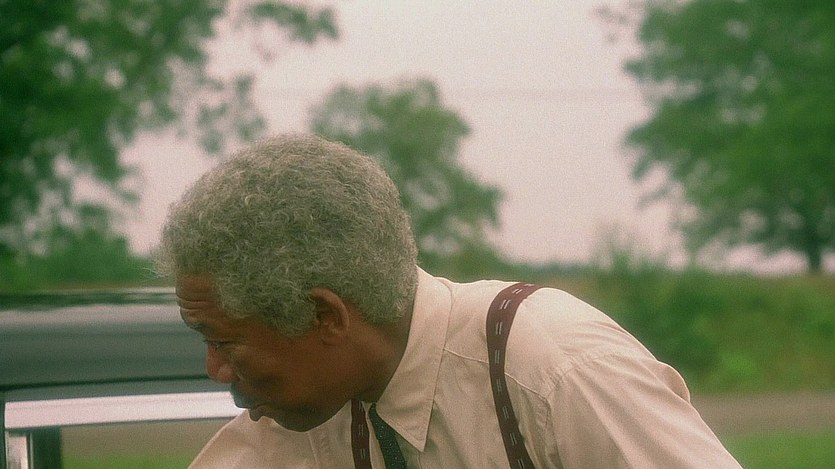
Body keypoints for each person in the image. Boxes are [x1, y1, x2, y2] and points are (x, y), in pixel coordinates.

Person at [157, 134, 742, 468]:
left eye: (224, 340)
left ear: (325, 316)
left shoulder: (554, 370)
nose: (216, 370)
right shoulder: (299, 418)